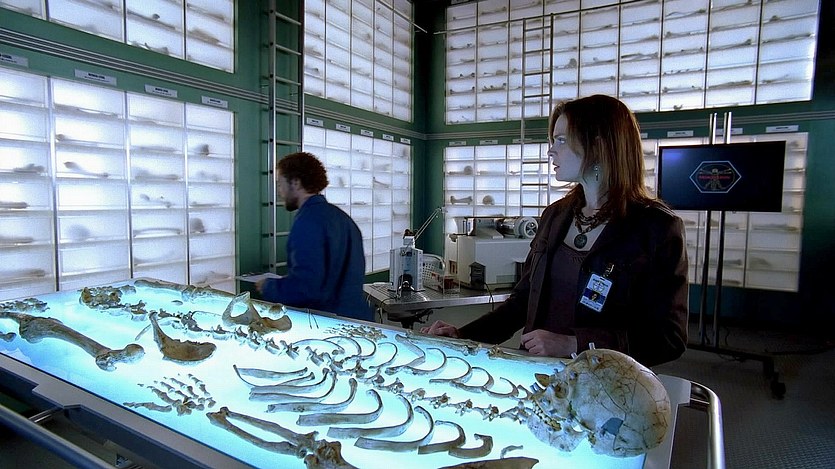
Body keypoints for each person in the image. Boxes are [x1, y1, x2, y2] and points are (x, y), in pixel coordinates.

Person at [422, 95, 688, 367]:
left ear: (598, 145)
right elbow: (522, 303)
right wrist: (463, 336)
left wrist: (575, 344)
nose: (551, 151)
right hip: (538, 373)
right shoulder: (555, 215)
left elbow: (669, 337)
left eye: (561, 140)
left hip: (605, 381)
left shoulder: (656, 227)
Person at [256, 151, 372, 322]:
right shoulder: (343, 219)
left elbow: (306, 288)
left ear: (295, 183)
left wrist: (268, 286)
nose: (279, 192)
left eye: (280, 184)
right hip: (357, 319)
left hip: (328, 322)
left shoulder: (307, 222)